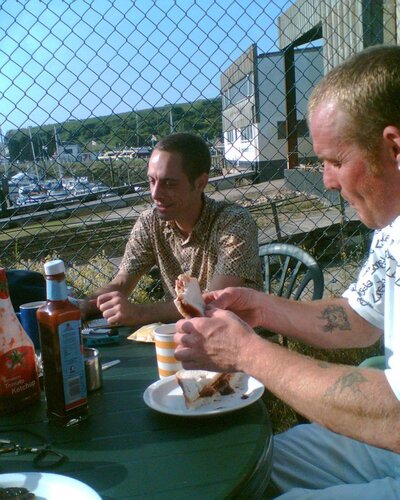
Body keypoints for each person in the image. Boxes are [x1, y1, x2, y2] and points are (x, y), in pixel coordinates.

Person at [174, 45, 400, 498]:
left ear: (393, 147)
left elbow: (394, 416)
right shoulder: (391, 223)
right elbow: (358, 320)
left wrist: (246, 353)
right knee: (252, 468)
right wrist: (261, 309)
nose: (327, 181)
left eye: (335, 161)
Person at [81, 132, 262, 326]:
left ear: (200, 183)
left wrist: (138, 313)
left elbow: (213, 304)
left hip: (240, 339)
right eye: (151, 181)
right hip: (183, 339)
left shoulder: (233, 222)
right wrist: (83, 306)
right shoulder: (151, 222)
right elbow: (122, 283)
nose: (155, 194)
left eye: (169, 183)